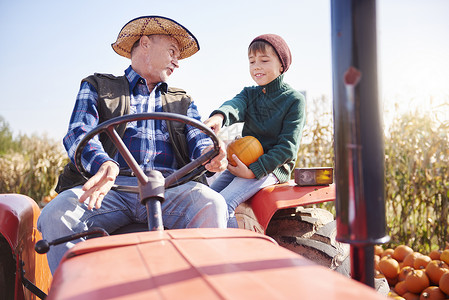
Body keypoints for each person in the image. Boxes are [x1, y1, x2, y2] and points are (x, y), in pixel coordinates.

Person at [37, 15, 228, 274]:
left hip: (170, 188)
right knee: (55, 214)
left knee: (211, 203)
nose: (177, 62)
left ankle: (198, 288)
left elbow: (199, 140)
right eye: (173, 51)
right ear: (146, 43)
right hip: (111, 189)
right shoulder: (97, 85)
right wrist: (103, 163)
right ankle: (77, 288)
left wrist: (210, 155)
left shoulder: (182, 101)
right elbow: (78, 133)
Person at [204, 34, 305, 228]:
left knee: (222, 203)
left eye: (264, 60)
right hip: (243, 160)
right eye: (252, 62)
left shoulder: (294, 100)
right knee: (205, 198)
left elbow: (287, 149)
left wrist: (253, 172)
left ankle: (234, 251)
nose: (256, 66)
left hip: (271, 168)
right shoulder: (250, 94)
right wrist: (220, 116)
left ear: (281, 65)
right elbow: (235, 105)